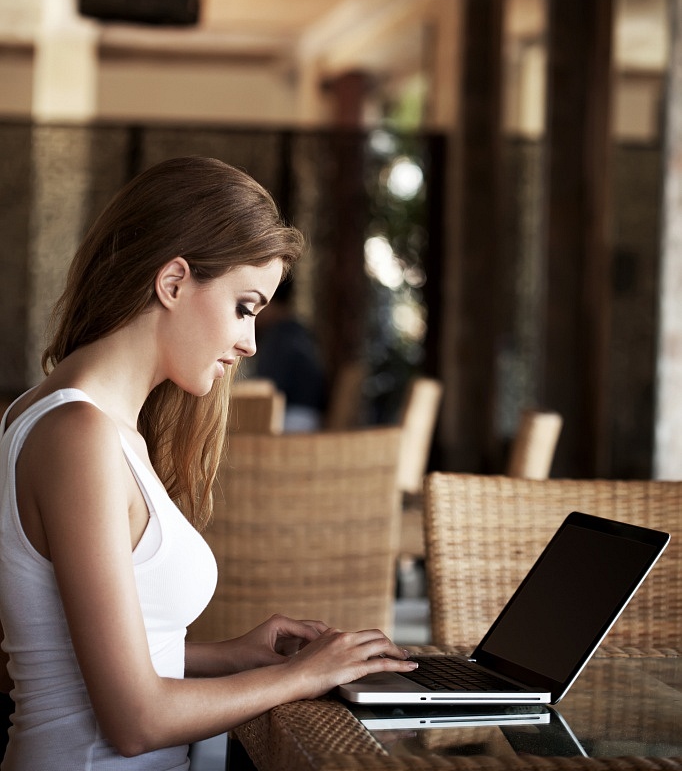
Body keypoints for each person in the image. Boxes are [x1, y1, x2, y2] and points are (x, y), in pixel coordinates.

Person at [0, 155, 417, 770]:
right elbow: (135, 721)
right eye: (245, 306)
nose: (250, 342)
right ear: (172, 282)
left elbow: (67, 646)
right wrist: (305, 675)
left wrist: (234, 654)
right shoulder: (78, 435)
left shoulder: (73, 421)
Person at [252, 278, 328, 430]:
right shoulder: (298, 331)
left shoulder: (279, 337)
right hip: (309, 416)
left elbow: (267, 387)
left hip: (291, 419)